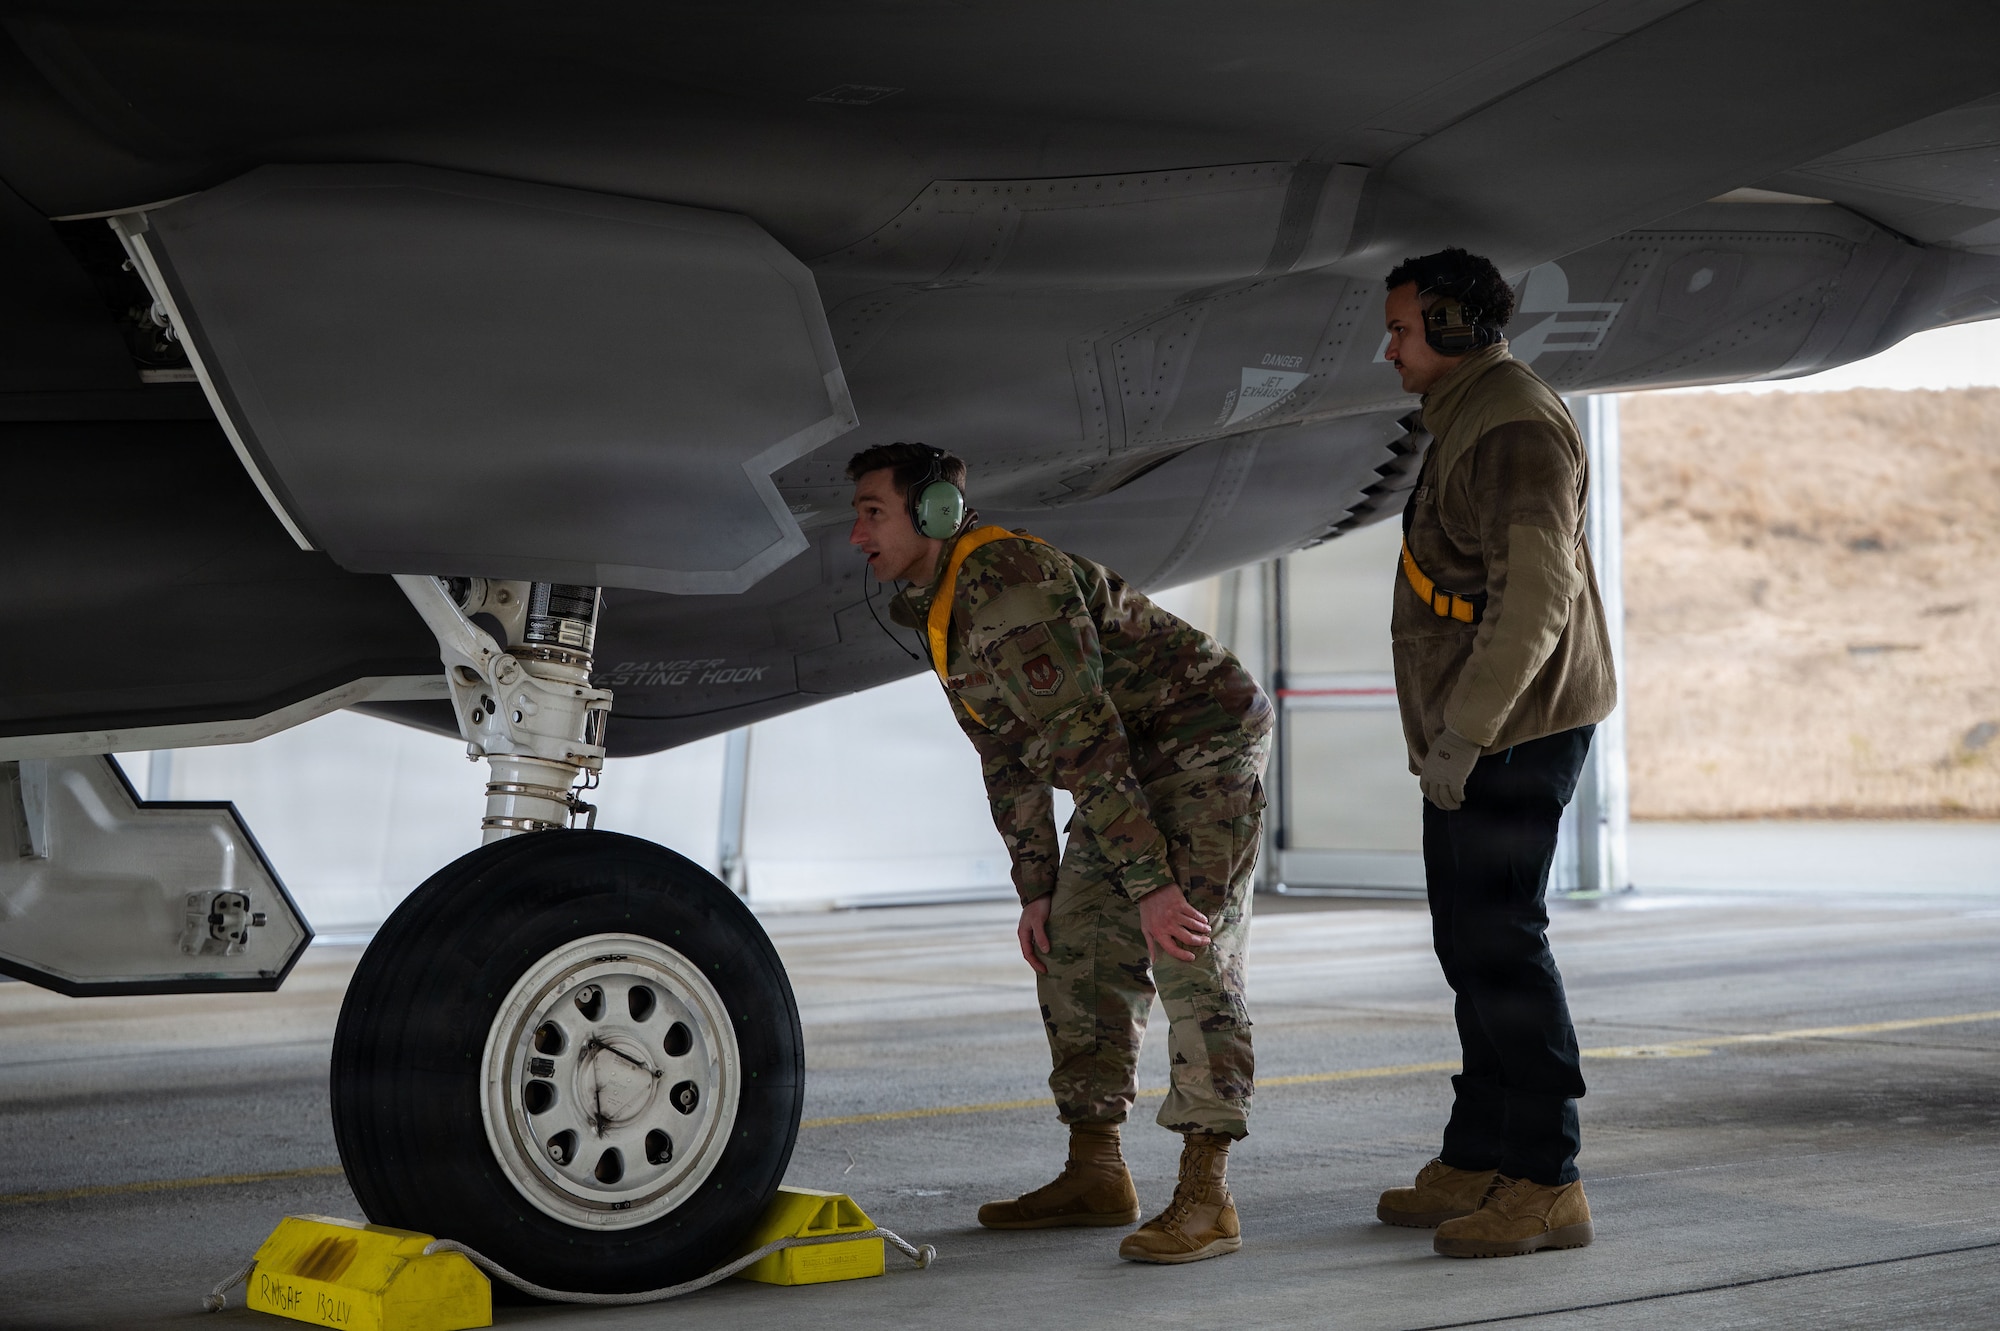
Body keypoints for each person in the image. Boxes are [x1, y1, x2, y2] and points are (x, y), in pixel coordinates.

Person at [846, 442, 1272, 1264]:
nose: (856, 536)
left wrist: (1152, 885)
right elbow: (1006, 752)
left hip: (1202, 741)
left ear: (933, 511)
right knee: (1074, 942)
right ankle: (1097, 1168)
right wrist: (1038, 887)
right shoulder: (941, 604)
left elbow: (1083, 735)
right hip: (1125, 760)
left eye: (872, 513)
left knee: (1187, 944)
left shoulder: (1006, 582)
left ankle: (1208, 1193)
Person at [1374, 248, 1617, 1258]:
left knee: (1503, 945)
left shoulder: (1512, 423)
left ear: (1456, 327)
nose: (1389, 348)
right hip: (1479, 726)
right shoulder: (1470, 408)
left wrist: (1467, 731)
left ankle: (1545, 1178)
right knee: (1468, 942)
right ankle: (1479, 1153)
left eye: (1401, 329)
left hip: (1515, 726)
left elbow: (1535, 595)